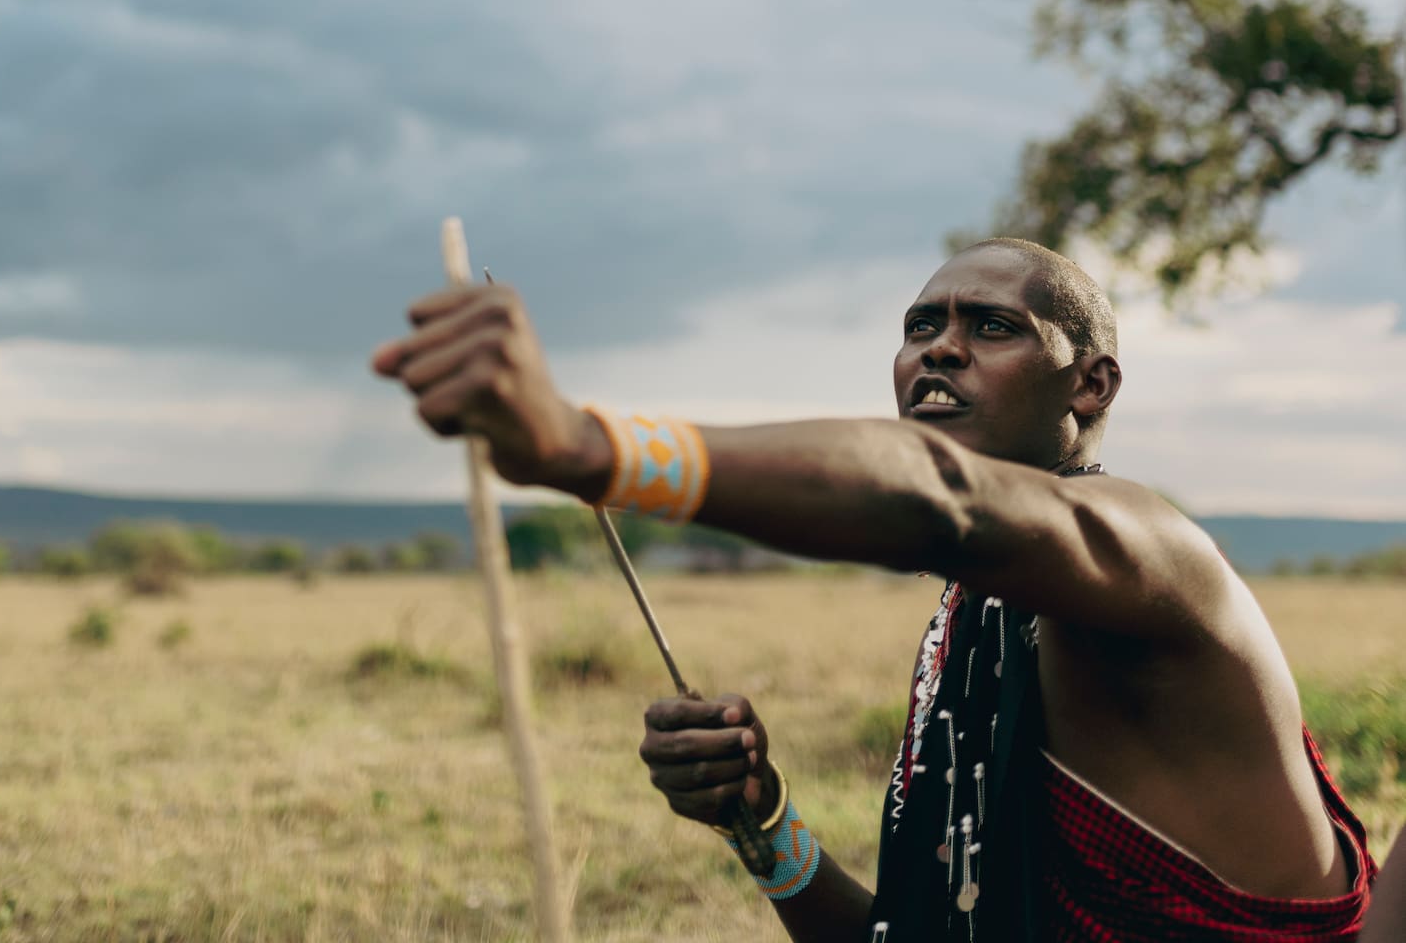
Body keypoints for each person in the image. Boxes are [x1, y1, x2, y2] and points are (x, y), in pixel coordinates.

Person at [373, 237, 1376, 939]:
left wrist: (589, 445)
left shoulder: (1144, 546)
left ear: (1091, 386)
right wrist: (764, 826)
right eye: (920, 325)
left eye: (992, 325)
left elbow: (942, 500)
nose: (940, 347)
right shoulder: (973, 623)